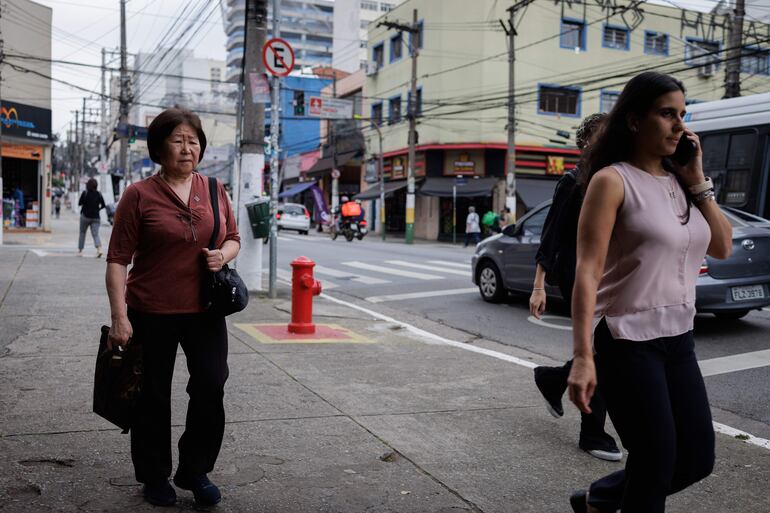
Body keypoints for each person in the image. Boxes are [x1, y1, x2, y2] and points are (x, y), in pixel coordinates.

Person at [566, 72, 732, 513]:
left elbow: (722, 245)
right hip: (625, 340)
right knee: (655, 461)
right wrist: (583, 357)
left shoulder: (683, 183)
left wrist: (697, 179)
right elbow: (587, 271)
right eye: (666, 114)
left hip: (678, 338)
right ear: (635, 121)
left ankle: (599, 499)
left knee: (696, 459)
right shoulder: (612, 181)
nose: (680, 125)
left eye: (682, 115)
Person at [105, 108, 241, 507]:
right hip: (151, 310)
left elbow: (233, 237)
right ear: (159, 147)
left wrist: (222, 254)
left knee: (211, 385)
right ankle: (154, 476)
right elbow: (118, 259)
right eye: (179, 140)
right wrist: (119, 316)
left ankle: (194, 470)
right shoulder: (138, 195)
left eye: (194, 140)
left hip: (205, 309)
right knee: (151, 396)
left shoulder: (215, 189)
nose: (188, 147)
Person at [529, 113, 622, 462]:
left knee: (608, 350)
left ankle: (552, 379)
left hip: (611, 272)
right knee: (600, 351)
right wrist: (539, 285)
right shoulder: (573, 181)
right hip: (577, 271)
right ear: (584, 144)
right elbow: (551, 235)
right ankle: (592, 433)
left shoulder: (619, 178)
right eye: (599, 137)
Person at [78, 178, 106, 257]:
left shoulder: (85, 193)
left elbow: (79, 203)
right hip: (96, 217)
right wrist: (97, 209)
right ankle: (99, 249)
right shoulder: (99, 194)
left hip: (85, 216)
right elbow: (103, 205)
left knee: (82, 233)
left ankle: (80, 250)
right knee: (95, 234)